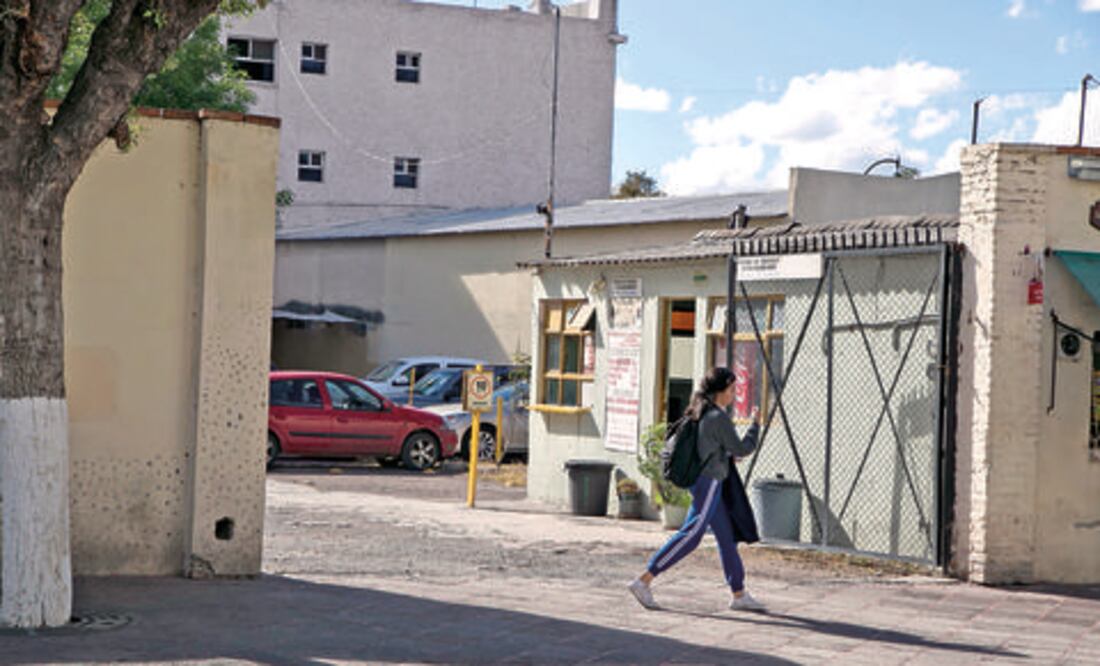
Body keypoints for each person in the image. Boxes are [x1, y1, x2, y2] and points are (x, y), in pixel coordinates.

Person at [628, 366, 764, 612]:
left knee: (726, 538)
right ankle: (644, 580)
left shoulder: (703, 411)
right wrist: (755, 425)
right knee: (692, 535)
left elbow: (709, 447)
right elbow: (742, 448)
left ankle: (739, 594)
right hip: (708, 482)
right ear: (720, 391)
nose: (734, 394)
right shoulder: (718, 417)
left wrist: (725, 456)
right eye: (731, 389)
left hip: (706, 481)